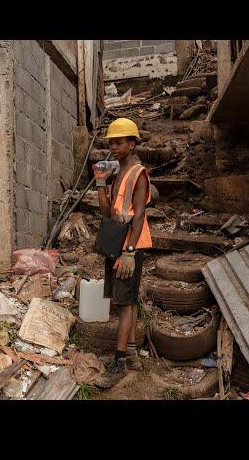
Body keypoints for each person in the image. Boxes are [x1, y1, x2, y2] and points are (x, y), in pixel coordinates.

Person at [92, 117, 152, 384]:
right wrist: (101, 184)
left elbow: (138, 215)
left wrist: (129, 251)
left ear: (132, 143)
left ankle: (119, 362)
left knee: (124, 303)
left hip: (130, 244)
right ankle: (131, 354)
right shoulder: (118, 173)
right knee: (125, 299)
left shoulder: (138, 174)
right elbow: (107, 213)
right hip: (117, 241)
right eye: (111, 143)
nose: (113, 147)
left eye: (119, 142)